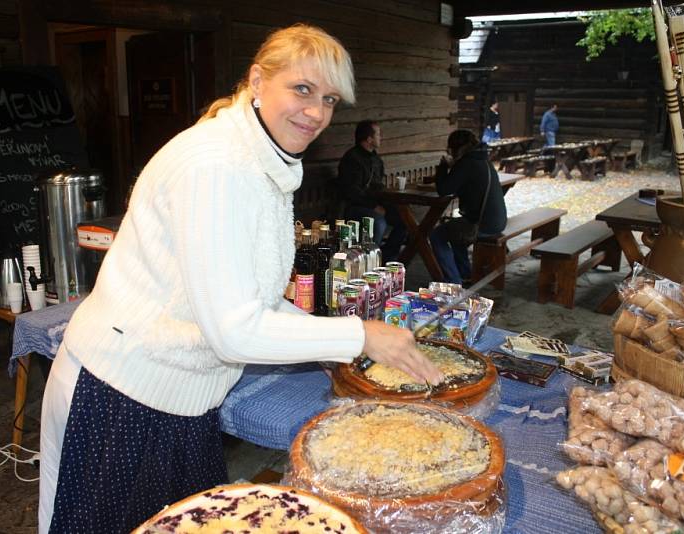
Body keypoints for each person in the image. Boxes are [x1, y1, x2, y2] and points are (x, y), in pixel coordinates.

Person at [38, 24, 442, 534]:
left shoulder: (260, 158)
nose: (316, 112)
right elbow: (233, 329)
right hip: (124, 393)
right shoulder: (216, 164)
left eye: (330, 99)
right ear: (257, 81)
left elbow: (256, 300)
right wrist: (360, 335)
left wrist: (337, 350)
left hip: (182, 398)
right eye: (302, 89)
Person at [429, 129, 507, 285]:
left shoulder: (467, 163)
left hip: (481, 225)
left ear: (456, 148)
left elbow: (444, 189)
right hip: (497, 221)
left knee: (437, 235)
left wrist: (443, 167)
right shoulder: (482, 159)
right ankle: (464, 273)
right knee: (456, 232)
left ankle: (453, 281)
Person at [337, 119, 407, 261]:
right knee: (379, 222)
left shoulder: (375, 159)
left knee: (404, 220)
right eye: (378, 134)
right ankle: (370, 260)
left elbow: (377, 185)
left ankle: (386, 258)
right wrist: (374, 206)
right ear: (369, 139)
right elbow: (351, 192)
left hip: (375, 204)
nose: (381, 138)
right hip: (354, 207)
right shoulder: (352, 159)